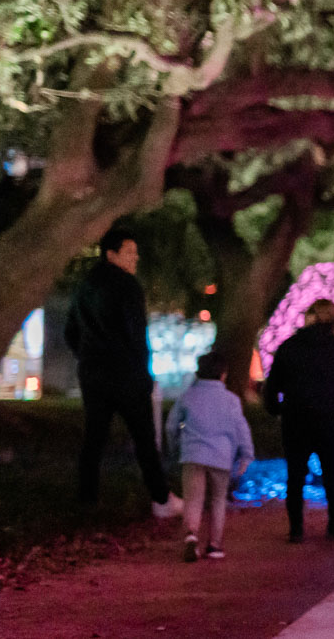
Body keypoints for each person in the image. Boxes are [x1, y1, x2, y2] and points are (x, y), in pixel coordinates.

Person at [66, 227, 182, 518]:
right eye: (130, 252)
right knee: (144, 440)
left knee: (94, 437)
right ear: (111, 254)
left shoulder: (85, 286)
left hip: (93, 375)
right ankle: (160, 498)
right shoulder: (127, 286)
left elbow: (70, 331)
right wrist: (144, 372)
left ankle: (87, 497)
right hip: (126, 375)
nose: (136, 258)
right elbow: (135, 334)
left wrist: (88, 356)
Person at [262, 298, 334, 543]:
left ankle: (296, 528)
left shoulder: (289, 347)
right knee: (331, 474)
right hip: (330, 421)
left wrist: (277, 410)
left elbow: (272, 386)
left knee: (295, 476)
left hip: (296, 419)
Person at [165, 353, 254, 562]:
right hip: (221, 457)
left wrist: (175, 445)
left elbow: (171, 425)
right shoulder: (231, 400)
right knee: (217, 500)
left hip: (192, 455)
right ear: (223, 374)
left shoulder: (188, 396)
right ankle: (214, 545)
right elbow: (241, 428)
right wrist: (246, 455)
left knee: (193, 499)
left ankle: (191, 535)